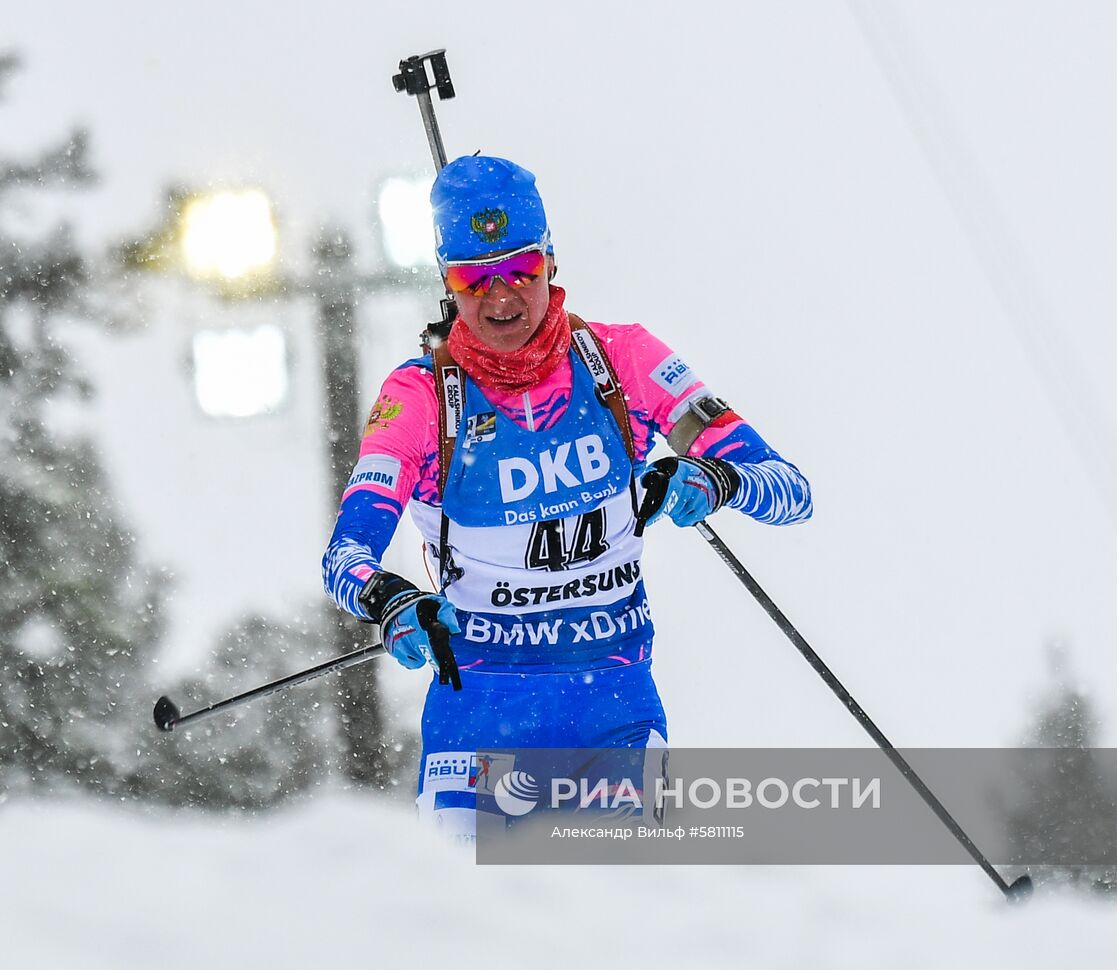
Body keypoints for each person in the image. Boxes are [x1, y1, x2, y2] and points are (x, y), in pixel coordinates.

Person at [322, 155, 811, 838]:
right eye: (473, 278)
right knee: (473, 939)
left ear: (550, 260)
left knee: (621, 930)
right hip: (478, 721)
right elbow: (346, 555)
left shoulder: (625, 363)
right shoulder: (422, 397)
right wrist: (394, 602)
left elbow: (790, 490)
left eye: (519, 270)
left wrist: (716, 478)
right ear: (446, 283)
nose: (500, 299)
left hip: (611, 713)